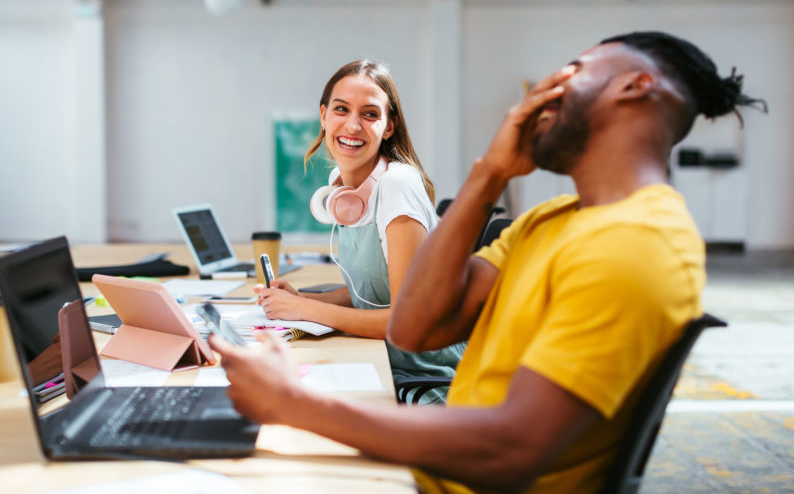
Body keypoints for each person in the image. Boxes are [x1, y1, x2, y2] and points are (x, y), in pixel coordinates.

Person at [211, 32, 766, 493]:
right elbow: (414, 324)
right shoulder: (547, 220)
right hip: (439, 452)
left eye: (571, 71)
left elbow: (511, 451)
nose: (544, 91)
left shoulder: (640, 243)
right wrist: (490, 173)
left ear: (634, 85)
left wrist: (294, 403)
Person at [254, 60, 465, 403]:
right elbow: (372, 292)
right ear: (323, 116)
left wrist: (306, 311)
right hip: (385, 362)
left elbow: (405, 319)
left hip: (428, 379)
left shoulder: (396, 185)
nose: (352, 125)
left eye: (370, 114)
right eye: (341, 109)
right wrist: (303, 298)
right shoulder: (344, 192)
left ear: (388, 127)